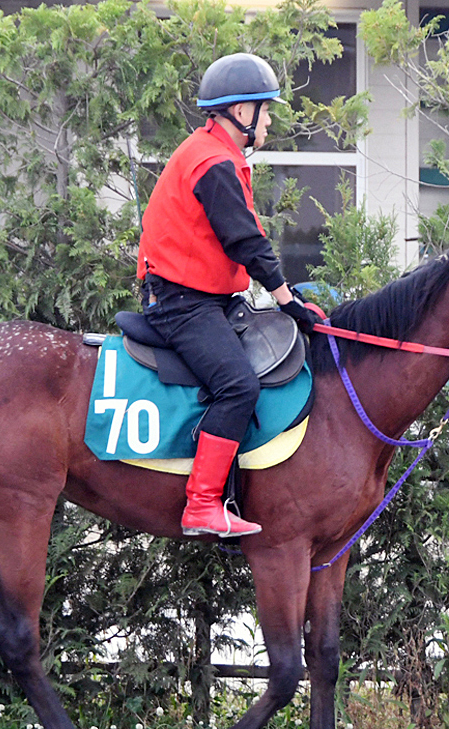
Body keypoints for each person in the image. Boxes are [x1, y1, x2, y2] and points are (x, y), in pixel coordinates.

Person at [137, 52, 320, 538]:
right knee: (239, 385)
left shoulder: (219, 154)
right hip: (181, 304)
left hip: (207, 299)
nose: (272, 118)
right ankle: (200, 505)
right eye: (267, 108)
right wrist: (286, 299)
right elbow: (245, 240)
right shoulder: (214, 162)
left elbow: (245, 241)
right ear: (242, 112)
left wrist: (289, 298)